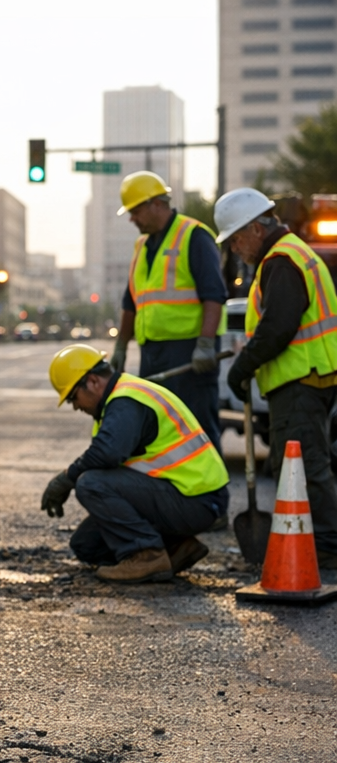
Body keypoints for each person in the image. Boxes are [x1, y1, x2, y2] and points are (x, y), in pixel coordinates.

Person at [215, 187, 337, 569]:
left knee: (306, 467)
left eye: (236, 239)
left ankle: (328, 549)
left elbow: (278, 326)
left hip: (301, 380)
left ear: (255, 228)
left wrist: (244, 365)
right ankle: (316, 545)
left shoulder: (281, 261)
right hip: (305, 378)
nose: (236, 249)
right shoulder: (288, 255)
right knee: (297, 466)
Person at [41, 344, 230, 583]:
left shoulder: (125, 401)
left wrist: (66, 478)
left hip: (196, 499)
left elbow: (106, 455)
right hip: (182, 496)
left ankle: (147, 556)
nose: (76, 406)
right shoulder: (120, 399)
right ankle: (176, 548)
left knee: (90, 483)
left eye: (73, 397)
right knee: (86, 545)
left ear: (92, 381)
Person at [110, 171, 229, 457]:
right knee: (157, 426)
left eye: (136, 211)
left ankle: (212, 499)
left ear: (157, 204)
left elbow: (214, 295)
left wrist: (205, 344)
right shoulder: (141, 246)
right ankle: (168, 495)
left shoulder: (194, 236)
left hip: (190, 353)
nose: (132, 218)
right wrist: (121, 346)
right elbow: (131, 301)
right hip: (153, 351)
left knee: (197, 426)